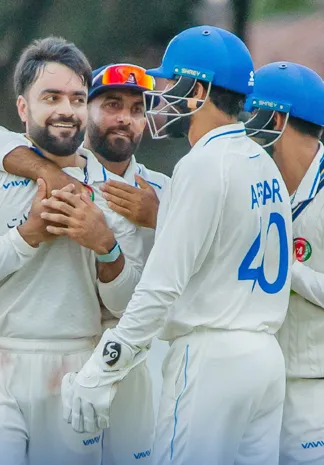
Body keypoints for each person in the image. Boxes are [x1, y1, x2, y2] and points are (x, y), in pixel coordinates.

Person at [61, 25, 293, 465]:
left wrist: (101, 371)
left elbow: (161, 287)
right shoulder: (261, 160)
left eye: (170, 85)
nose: (161, 98)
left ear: (198, 90)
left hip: (210, 360)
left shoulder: (202, 163)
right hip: (265, 359)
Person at [0, 37, 145, 465]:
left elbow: (126, 305)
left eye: (76, 98)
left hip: (75, 367)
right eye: (50, 97)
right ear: (22, 108)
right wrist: (26, 237)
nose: (65, 110)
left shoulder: (111, 192)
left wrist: (105, 246)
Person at [245, 61, 324, 465]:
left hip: (315, 392)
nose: (243, 130)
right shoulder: (261, 184)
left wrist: (284, 266)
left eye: (250, 116)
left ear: (275, 118)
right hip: (265, 387)